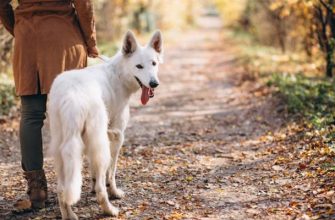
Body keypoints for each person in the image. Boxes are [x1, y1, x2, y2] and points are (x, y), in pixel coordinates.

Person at [0, 0, 99, 210]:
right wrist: (91, 42)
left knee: (31, 115)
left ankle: (37, 189)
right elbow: (84, 4)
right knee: (72, 114)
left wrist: (18, 29)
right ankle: (74, 181)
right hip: (64, 39)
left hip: (28, 41)